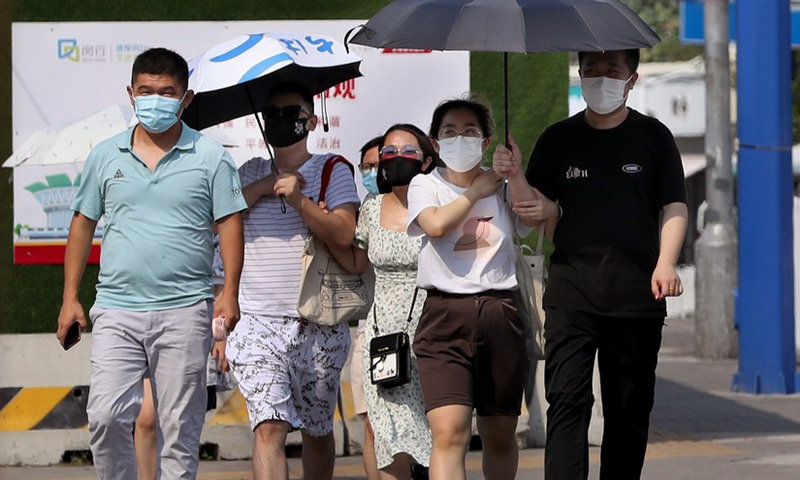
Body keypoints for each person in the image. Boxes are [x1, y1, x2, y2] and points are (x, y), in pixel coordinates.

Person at [494, 49, 689, 480]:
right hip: (571, 296)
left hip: (638, 297)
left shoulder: (654, 138)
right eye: (591, 71)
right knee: (566, 401)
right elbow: (535, 210)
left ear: (631, 79)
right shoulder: (558, 139)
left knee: (629, 408)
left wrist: (666, 263)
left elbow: (674, 204)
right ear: (579, 75)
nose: (601, 79)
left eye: (611, 71)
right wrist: (515, 173)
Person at [56, 47, 246, 480]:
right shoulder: (106, 155)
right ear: (130, 93)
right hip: (117, 309)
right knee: (104, 417)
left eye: (167, 92)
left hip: (185, 311)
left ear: (186, 98)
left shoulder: (211, 156)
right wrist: (70, 298)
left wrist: (229, 293)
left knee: (180, 431)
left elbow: (230, 224)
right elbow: (83, 224)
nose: (155, 99)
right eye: (146, 91)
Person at [225, 82, 360, 480]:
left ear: (312, 121)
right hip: (257, 322)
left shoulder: (331, 167)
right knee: (268, 427)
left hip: (318, 322)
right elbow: (219, 218)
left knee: (317, 431)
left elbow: (344, 233)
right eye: (273, 114)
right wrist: (265, 186)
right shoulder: (249, 172)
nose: (281, 121)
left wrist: (300, 201)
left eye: (292, 113)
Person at [406, 96, 533, 480]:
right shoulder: (424, 184)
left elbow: (534, 217)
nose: (459, 138)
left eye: (470, 132)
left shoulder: (504, 186)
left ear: (486, 141)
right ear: (435, 142)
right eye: (449, 132)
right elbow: (436, 225)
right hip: (444, 318)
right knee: (449, 434)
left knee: (499, 434)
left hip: (500, 314)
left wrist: (516, 174)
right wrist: (476, 192)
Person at [329, 124, 436, 480]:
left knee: (436, 434)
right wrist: (322, 228)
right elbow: (358, 263)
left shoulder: (439, 203)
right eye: (389, 152)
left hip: (434, 330)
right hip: (381, 339)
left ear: (427, 159)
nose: (396, 159)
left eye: (408, 151)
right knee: (384, 435)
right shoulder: (372, 209)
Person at [351, 136, 382, 480]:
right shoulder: (363, 213)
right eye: (367, 167)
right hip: (371, 333)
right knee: (373, 428)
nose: (373, 172)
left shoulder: (425, 205)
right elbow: (355, 263)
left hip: (425, 330)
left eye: (380, 164)